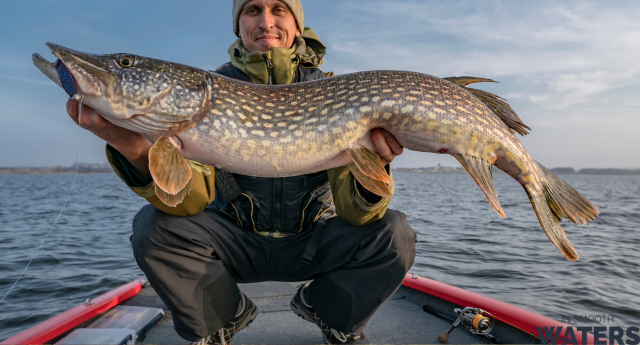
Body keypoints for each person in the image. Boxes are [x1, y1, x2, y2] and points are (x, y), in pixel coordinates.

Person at [65, 0, 417, 344]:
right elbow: (187, 204)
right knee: (153, 227)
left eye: (279, 9)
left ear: (297, 26)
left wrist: (377, 164)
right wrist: (129, 144)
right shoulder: (208, 92)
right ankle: (224, 315)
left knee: (393, 234)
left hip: (312, 243)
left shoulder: (340, 94)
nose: (265, 21)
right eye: (252, 10)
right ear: (239, 26)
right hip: (234, 244)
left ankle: (327, 311)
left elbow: (357, 215)